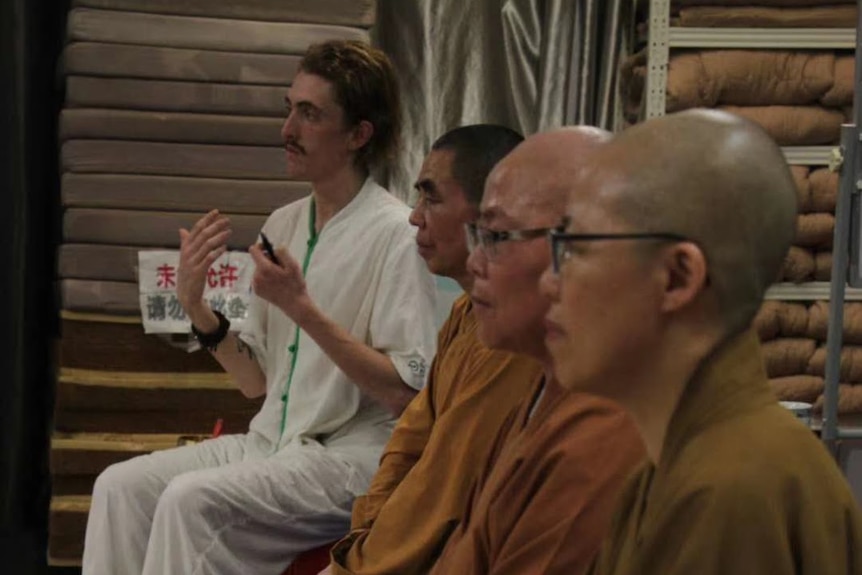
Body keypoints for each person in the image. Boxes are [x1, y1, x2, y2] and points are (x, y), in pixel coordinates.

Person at [81, 40, 438, 575]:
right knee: (118, 487)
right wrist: (195, 307)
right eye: (288, 108)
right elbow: (257, 384)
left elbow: (406, 395)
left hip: (348, 458)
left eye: (309, 114)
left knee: (189, 501)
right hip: (272, 440)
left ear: (359, 135)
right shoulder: (284, 224)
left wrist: (302, 309)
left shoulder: (394, 235)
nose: (287, 130)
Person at [542, 109, 862, 575]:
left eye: (575, 248)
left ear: (678, 276)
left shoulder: (734, 488)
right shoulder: (670, 467)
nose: (549, 283)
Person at [322, 124, 543, 575]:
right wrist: (363, 538)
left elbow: (444, 486)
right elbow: (411, 440)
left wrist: (361, 562)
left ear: (490, 214)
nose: (414, 217)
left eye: (432, 198)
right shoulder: (466, 312)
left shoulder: (514, 340)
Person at [427, 127, 645, 575]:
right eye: (478, 235)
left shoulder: (603, 430)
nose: (474, 261)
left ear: (584, 247)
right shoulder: (541, 387)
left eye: (498, 237)